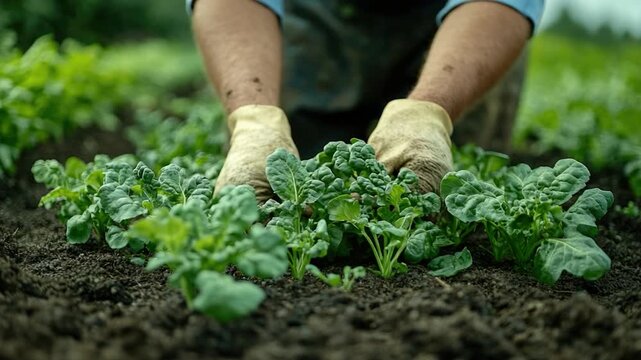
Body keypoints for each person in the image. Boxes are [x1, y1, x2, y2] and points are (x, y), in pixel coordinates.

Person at [187, 0, 544, 200]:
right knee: (277, 182)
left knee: (443, 192)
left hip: (457, 26)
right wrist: (253, 117)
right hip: (313, 18)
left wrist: (431, 112)